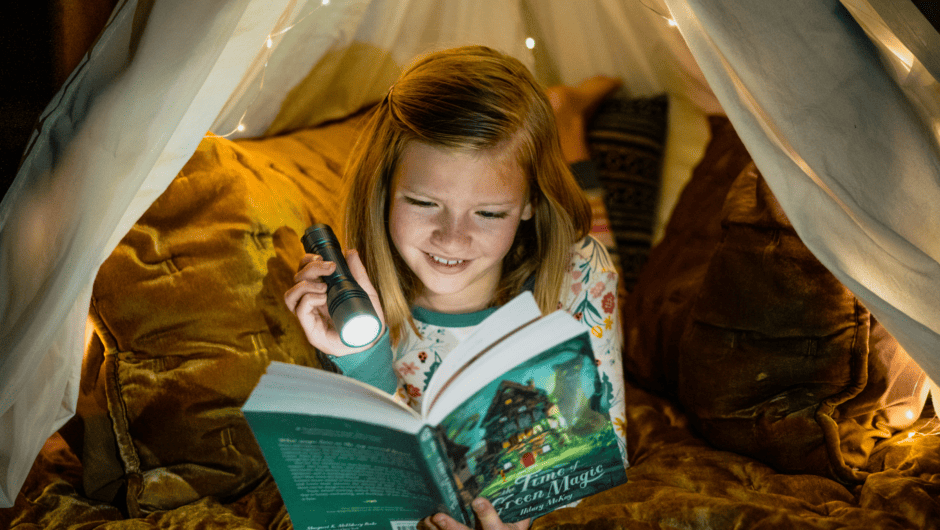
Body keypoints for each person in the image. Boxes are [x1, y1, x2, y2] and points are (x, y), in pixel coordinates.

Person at [284, 45, 625, 530]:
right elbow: (360, 493)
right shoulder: (355, 303)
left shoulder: (582, 273)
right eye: (425, 202)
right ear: (384, 190)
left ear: (528, 203)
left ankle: (568, 122)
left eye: (488, 213)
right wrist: (360, 361)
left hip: (567, 274)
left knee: (598, 246)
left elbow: (603, 460)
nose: (452, 238)